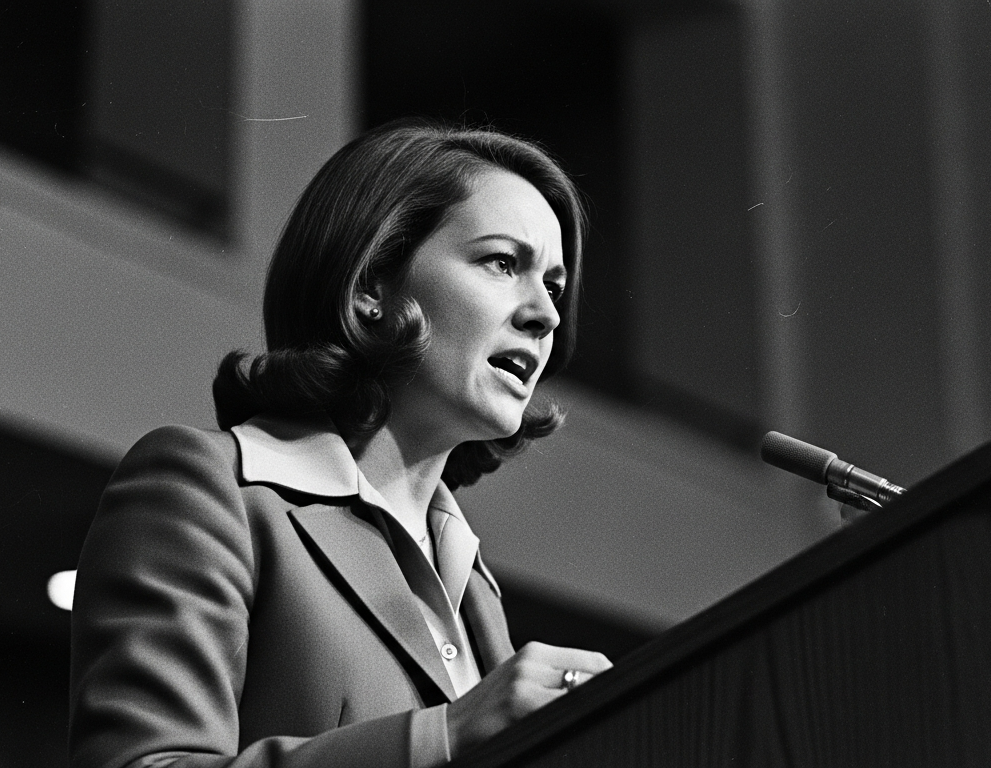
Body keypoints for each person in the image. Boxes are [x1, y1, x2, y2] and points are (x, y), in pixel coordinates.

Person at [67, 121, 613, 768]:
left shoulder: (473, 586)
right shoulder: (208, 489)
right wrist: (440, 737)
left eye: (553, 285)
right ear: (370, 287)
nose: (547, 314)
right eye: (502, 263)